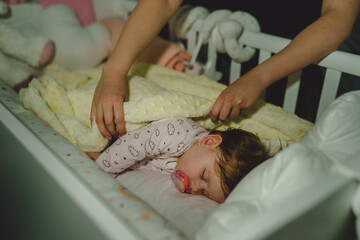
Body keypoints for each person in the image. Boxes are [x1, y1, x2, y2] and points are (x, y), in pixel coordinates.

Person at [91, 0, 360, 140]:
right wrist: (114, 72)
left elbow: (338, 16)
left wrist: (258, 77)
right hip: (222, 55)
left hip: (303, 64)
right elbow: (161, 3)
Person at [86, 117, 271, 203]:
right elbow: (133, 145)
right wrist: (102, 166)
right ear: (208, 141)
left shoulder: (190, 160)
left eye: (204, 193)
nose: (195, 188)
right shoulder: (175, 134)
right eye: (204, 176)